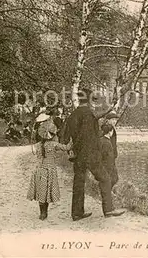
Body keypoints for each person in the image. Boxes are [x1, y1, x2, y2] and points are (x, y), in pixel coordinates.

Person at [59, 88, 125, 221]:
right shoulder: (89, 114)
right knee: (105, 178)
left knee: (78, 182)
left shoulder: (72, 116)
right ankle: (109, 210)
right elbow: (91, 136)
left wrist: (71, 151)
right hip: (90, 154)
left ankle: (77, 213)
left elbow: (64, 137)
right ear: (89, 99)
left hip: (77, 156)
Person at [27, 118, 71, 220]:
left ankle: (42, 213)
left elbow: (35, 149)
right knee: (47, 192)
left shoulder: (38, 145)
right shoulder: (53, 144)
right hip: (49, 170)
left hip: (39, 170)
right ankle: (45, 212)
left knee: (41, 191)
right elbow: (67, 147)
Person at [100, 124, 118, 188]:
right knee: (111, 180)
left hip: (104, 165)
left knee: (113, 179)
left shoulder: (101, 140)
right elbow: (108, 156)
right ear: (110, 131)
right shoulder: (107, 142)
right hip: (107, 166)